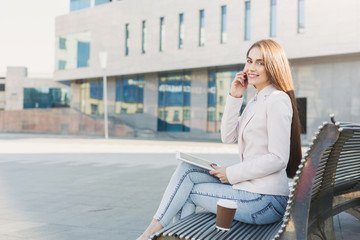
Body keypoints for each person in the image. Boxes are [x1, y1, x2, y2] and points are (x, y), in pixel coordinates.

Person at [137, 39, 302, 240]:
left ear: (274, 66)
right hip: (251, 191)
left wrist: (229, 173)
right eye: (249, 61)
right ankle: (152, 233)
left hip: (265, 201)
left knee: (187, 191)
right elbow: (228, 136)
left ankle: (149, 235)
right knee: (186, 171)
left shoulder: (277, 99)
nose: (251, 67)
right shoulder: (255, 101)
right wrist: (235, 96)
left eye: (260, 63)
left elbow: (278, 158)